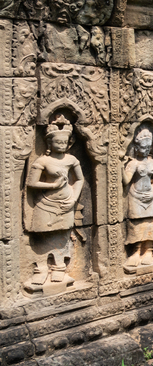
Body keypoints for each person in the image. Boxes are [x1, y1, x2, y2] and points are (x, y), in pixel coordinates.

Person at [25, 115, 84, 285]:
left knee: (63, 235)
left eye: (64, 142)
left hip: (66, 202)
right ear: (49, 143)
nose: (61, 145)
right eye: (57, 142)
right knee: (42, 235)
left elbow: (80, 180)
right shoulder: (43, 160)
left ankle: (59, 267)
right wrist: (53, 185)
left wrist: (73, 198)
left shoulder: (71, 160)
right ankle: (41, 268)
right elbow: (31, 183)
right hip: (45, 203)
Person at [122, 126, 153, 270]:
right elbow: (126, 181)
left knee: (150, 224)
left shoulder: (152, 163)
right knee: (136, 225)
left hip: (149, 197)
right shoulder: (133, 164)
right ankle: (136, 252)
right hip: (135, 197)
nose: (145, 150)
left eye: (148, 148)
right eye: (142, 147)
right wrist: (121, 167)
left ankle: (148, 252)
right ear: (136, 147)